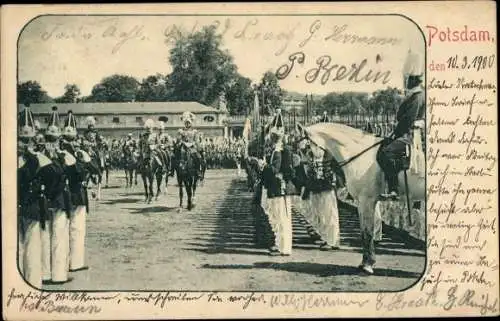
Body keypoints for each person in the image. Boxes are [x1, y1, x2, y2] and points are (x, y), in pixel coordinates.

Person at [377, 51, 425, 199]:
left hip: (410, 136)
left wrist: (395, 134)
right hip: (408, 134)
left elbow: (406, 121)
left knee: (386, 152)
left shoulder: (417, 97)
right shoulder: (416, 95)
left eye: (407, 79)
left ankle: (394, 189)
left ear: (413, 80)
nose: (405, 82)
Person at [39, 106, 72, 284]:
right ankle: (58, 275)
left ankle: (44, 273)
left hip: (45, 199)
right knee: (59, 237)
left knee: (45, 237)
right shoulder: (59, 155)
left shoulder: (40, 153)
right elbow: (62, 174)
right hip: (58, 198)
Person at [261, 109, 295, 256]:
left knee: (283, 219)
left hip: (280, 189)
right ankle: (278, 243)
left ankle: (285, 247)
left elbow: (280, 170)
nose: (271, 138)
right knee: (276, 218)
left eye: (273, 136)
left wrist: (264, 166)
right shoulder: (275, 150)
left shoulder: (283, 150)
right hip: (274, 188)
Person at [61, 110, 90, 273]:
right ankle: (74, 263)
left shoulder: (71, 150)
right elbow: (80, 172)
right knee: (76, 229)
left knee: (69, 229)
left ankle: (70, 263)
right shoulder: (72, 152)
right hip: (75, 193)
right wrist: (84, 160)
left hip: (72, 193)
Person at [174, 111, 203, 177]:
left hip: (192, 147)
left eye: (188, 123)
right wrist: (181, 142)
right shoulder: (181, 131)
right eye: (186, 123)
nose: (187, 124)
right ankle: (176, 169)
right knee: (177, 154)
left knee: (198, 156)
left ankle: (198, 170)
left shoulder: (194, 131)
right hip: (184, 147)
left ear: (191, 123)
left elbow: (196, 140)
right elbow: (179, 139)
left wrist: (193, 143)